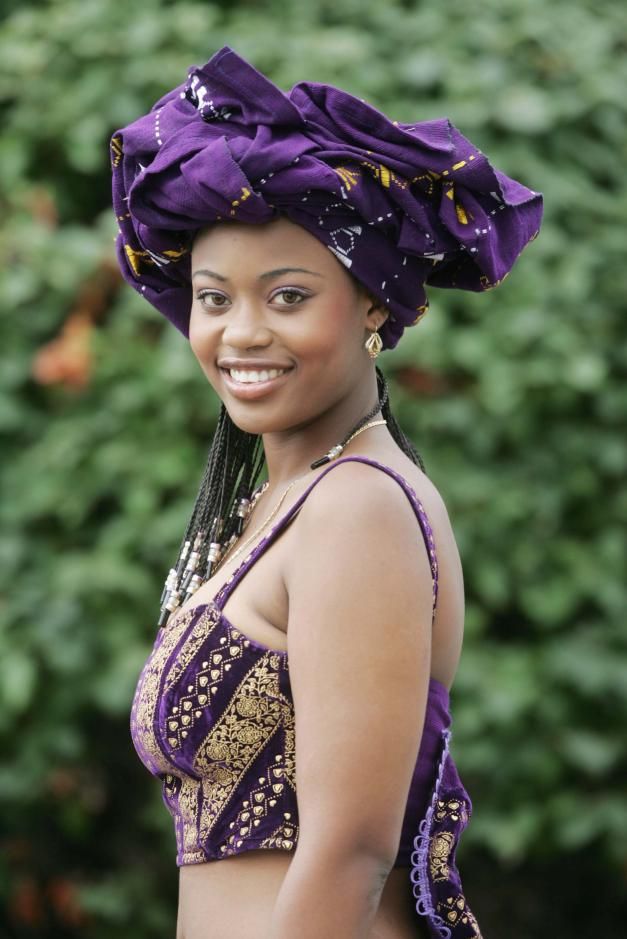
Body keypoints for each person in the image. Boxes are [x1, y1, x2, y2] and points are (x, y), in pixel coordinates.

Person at [110, 46, 543, 939]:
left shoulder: (358, 507)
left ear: (373, 304)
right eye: (214, 298)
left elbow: (350, 850)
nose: (242, 333)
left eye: (289, 296)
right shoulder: (288, 499)